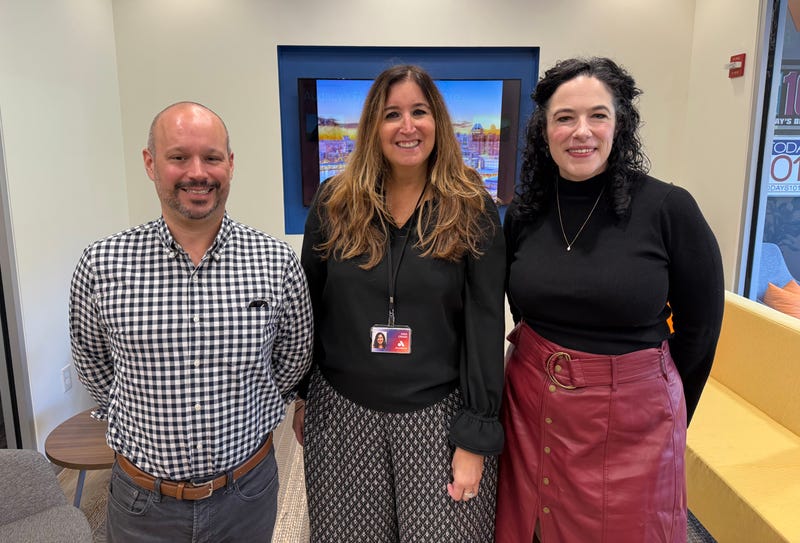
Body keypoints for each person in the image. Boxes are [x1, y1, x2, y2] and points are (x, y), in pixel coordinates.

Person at [496, 57, 724, 543]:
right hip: (531, 407)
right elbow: (524, 311)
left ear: (619, 125)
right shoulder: (524, 214)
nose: (582, 131)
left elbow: (701, 330)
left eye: (598, 115)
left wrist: (658, 403)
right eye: (565, 118)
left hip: (635, 425)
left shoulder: (668, 208)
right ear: (543, 131)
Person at [69, 101, 313, 542]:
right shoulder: (102, 263)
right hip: (142, 504)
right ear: (150, 163)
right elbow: (95, 367)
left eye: (212, 158)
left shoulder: (275, 261)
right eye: (178, 157)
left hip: (247, 494)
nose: (197, 172)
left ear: (231, 165)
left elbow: (292, 360)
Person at [294, 64, 506, 542]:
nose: (407, 126)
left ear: (438, 123)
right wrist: (305, 394)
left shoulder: (472, 207)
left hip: (438, 418)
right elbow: (311, 305)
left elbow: (485, 324)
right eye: (392, 114)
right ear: (373, 126)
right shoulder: (334, 203)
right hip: (343, 416)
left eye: (419, 112)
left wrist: (475, 435)